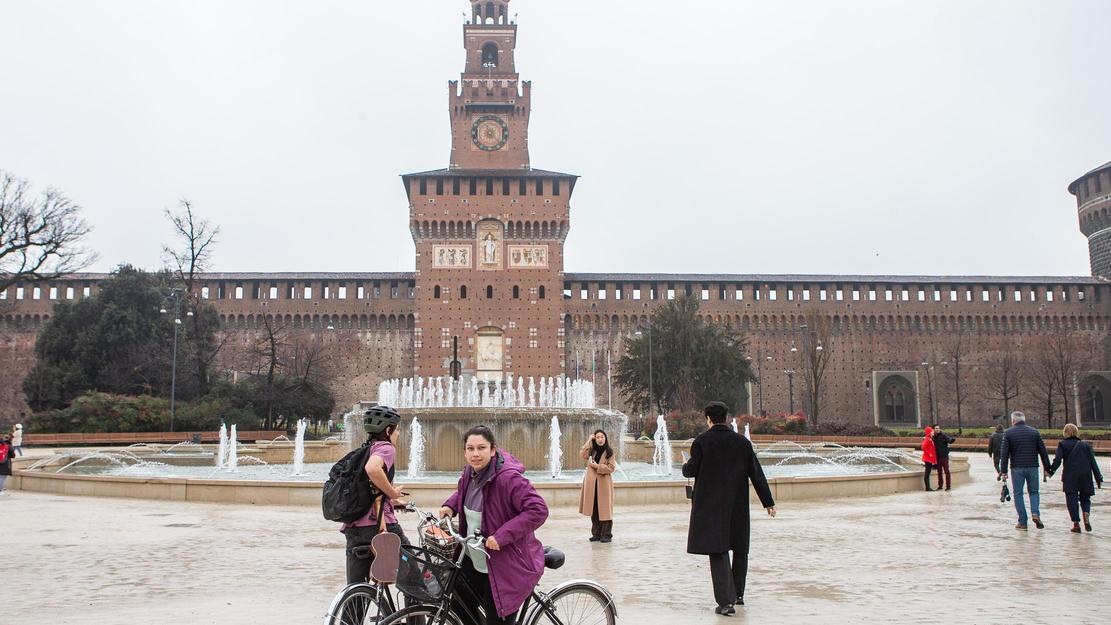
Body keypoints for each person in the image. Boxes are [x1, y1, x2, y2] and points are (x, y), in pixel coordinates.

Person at [439, 425, 549, 625]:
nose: (475, 454)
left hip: (504, 566)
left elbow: (538, 510)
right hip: (477, 558)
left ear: (492, 450)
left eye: (481, 448)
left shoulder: (508, 478)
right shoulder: (469, 474)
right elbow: (468, 493)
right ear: (464, 452)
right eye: (470, 449)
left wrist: (501, 536)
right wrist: (451, 505)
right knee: (456, 599)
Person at [682, 401, 776, 616]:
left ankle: (726, 602)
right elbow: (756, 473)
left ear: (708, 419)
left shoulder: (702, 442)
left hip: (711, 505)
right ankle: (738, 594)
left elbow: (691, 469)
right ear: (725, 417)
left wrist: (685, 467)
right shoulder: (742, 442)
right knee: (740, 548)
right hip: (737, 503)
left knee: (718, 550)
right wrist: (768, 502)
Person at [339, 406, 409, 585]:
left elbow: (369, 489)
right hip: (379, 525)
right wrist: (392, 492)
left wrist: (392, 500)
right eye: (397, 429)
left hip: (354, 528)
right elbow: (372, 468)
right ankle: (414, 613)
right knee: (413, 574)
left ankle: (352, 612)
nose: (398, 433)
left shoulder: (366, 449)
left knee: (355, 590)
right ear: (388, 430)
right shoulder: (386, 448)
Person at [998, 411, 1052, 530]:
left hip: (1017, 468)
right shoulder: (1034, 432)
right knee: (1034, 492)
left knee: (1018, 494)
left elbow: (1004, 453)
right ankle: (1035, 513)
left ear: (1013, 421)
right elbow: (1043, 451)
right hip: (1033, 467)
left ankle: (1022, 522)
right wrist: (1048, 468)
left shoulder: (1008, 433)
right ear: (1024, 420)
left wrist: (1004, 471)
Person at [1048, 424, 1103, 533]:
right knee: (1085, 498)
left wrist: (1050, 471)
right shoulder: (1086, 445)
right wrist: (1098, 477)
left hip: (1070, 476)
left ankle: (1076, 524)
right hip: (1085, 475)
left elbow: (1058, 460)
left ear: (1065, 432)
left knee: (1071, 499)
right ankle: (1086, 514)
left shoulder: (1063, 444)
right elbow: (1093, 462)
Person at [579, 429, 617, 543]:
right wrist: (589, 440)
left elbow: (611, 468)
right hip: (592, 484)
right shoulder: (592, 451)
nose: (600, 439)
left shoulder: (609, 452)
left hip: (603, 484)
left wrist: (597, 466)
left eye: (602, 437)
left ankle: (606, 534)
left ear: (605, 439)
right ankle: (596, 533)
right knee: (594, 508)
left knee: (605, 509)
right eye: (598, 437)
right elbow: (582, 454)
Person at [932, 424, 956, 491]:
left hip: (944, 456)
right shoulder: (933, 437)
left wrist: (952, 440)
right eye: (936, 428)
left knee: (946, 471)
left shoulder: (943, 435)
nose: (938, 429)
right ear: (934, 429)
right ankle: (940, 486)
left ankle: (948, 486)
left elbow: (949, 440)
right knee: (939, 472)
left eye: (938, 428)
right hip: (937, 457)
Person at [921, 426, 938, 491]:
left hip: (929, 458)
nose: (933, 432)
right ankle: (927, 488)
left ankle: (928, 487)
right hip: (927, 458)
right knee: (927, 473)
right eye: (932, 431)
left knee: (928, 473)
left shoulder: (930, 438)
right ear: (929, 432)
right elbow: (923, 447)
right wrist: (929, 454)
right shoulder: (928, 439)